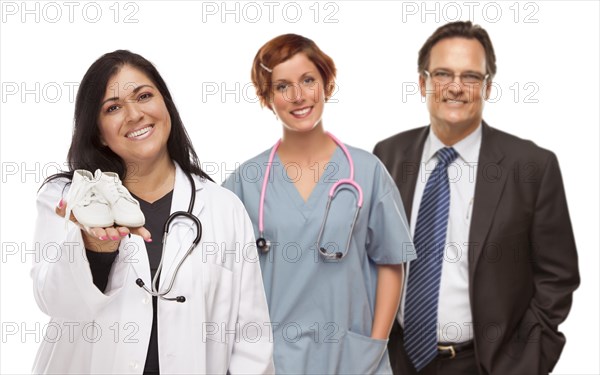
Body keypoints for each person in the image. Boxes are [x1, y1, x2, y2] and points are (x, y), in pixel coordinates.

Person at [31, 50, 274, 374]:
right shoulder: (67, 199)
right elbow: (55, 303)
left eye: (144, 96)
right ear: (97, 131)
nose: (134, 114)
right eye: (113, 107)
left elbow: (251, 342)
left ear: (166, 106)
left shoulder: (222, 208)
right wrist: (95, 248)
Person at [373, 21, 580, 375]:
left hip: (485, 364)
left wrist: (524, 363)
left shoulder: (532, 167)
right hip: (398, 361)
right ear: (423, 83)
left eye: (470, 76)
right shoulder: (388, 155)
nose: (456, 87)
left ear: (487, 87)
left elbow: (557, 277)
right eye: (442, 74)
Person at [222, 34, 415, 374]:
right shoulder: (245, 181)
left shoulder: (367, 172)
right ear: (267, 98)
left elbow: (391, 262)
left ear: (326, 83)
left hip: (354, 358)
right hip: (273, 361)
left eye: (308, 80)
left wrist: (375, 344)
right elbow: (222, 274)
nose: (297, 97)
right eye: (282, 86)